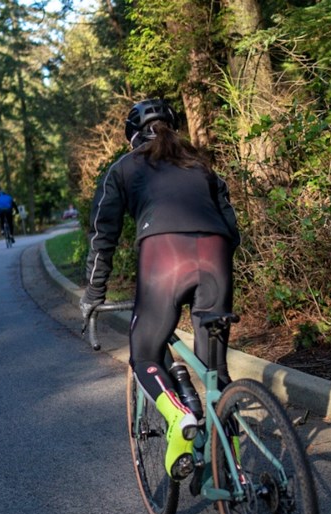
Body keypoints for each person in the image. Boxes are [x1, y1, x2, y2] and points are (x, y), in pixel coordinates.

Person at [80, 98, 241, 481]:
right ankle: (231, 464)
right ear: (173, 126)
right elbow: (231, 227)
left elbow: (102, 235)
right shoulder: (200, 164)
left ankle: (178, 415)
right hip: (216, 253)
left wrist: (93, 294)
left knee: (145, 352)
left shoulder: (123, 167)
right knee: (215, 371)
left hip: (164, 255)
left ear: (132, 136)